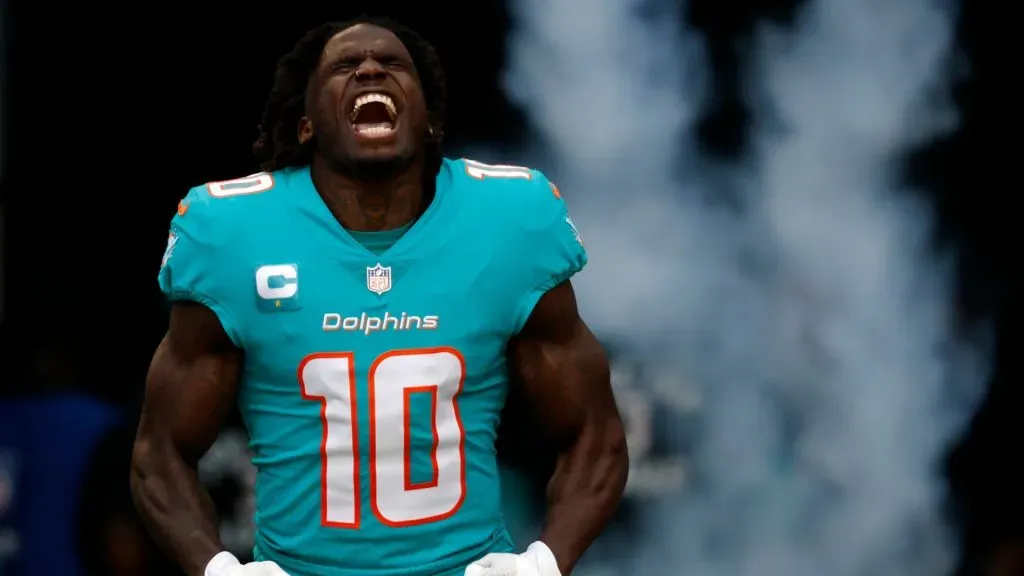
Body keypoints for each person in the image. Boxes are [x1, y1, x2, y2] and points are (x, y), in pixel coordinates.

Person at [130, 16, 628, 576]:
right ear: (305, 123)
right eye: (344, 66)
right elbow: (159, 453)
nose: (370, 69)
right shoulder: (232, 232)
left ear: (429, 119)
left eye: (394, 65)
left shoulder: (509, 221)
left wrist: (540, 564)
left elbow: (595, 433)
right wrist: (218, 569)